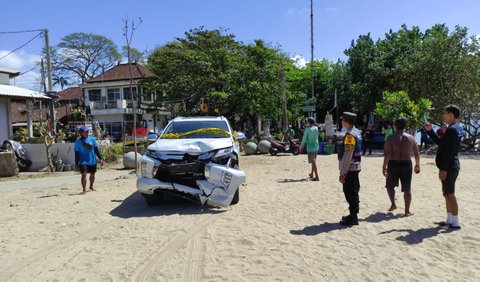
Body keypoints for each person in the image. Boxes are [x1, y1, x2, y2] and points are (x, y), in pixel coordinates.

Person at [425, 105, 464, 229]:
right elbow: (441, 143)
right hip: (451, 165)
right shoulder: (455, 128)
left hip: (450, 166)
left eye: (445, 113)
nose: (443, 116)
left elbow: (449, 152)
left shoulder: (452, 130)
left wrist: (443, 169)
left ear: (451, 115)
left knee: (450, 193)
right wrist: (430, 130)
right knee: (446, 193)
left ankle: (456, 222)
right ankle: (449, 219)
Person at [382, 118, 421, 216]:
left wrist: (384, 167)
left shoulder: (390, 137)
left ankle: (393, 204)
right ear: (405, 126)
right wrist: (417, 164)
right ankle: (407, 211)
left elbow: (387, 153)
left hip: (393, 163)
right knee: (407, 188)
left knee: (390, 186)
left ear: (394, 126)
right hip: (406, 164)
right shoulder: (411, 138)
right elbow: (416, 153)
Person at [337, 112, 363, 225]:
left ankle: (353, 216)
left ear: (347, 122)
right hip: (356, 166)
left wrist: (343, 173)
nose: (342, 122)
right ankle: (353, 214)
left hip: (350, 168)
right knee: (354, 190)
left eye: (343, 121)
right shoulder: (357, 132)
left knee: (350, 192)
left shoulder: (350, 136)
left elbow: (348, 155)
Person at [74, 126, 104, 195]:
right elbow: (77, 153)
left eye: (87, 131)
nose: (87, 132)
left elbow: (96, 150)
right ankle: (84, 189)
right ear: (81, 133)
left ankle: (91, 186)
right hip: (83, 161)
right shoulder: (78, 142)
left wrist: (100, 159)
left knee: (92, 174)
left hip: (92, 160)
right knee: (84, 175)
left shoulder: (92, 139)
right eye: (85, 131)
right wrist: (76, 163)